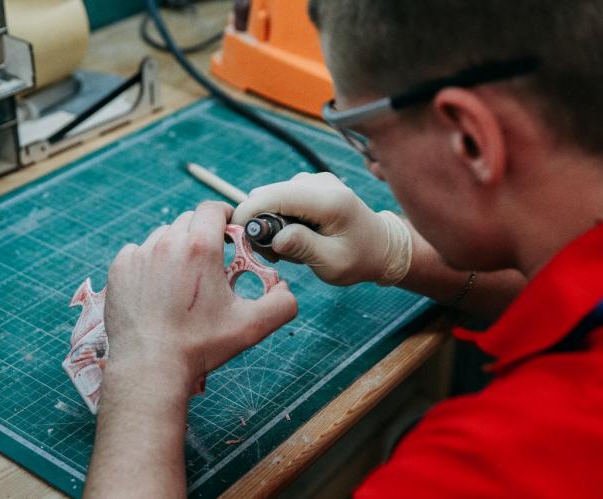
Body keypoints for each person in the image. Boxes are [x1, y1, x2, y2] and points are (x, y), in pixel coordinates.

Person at [85, 0, 603, 496]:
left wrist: (145, 370)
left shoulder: (492, 468)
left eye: (366, 137)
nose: (374, 168)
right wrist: (398, 251)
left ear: (469, 138)